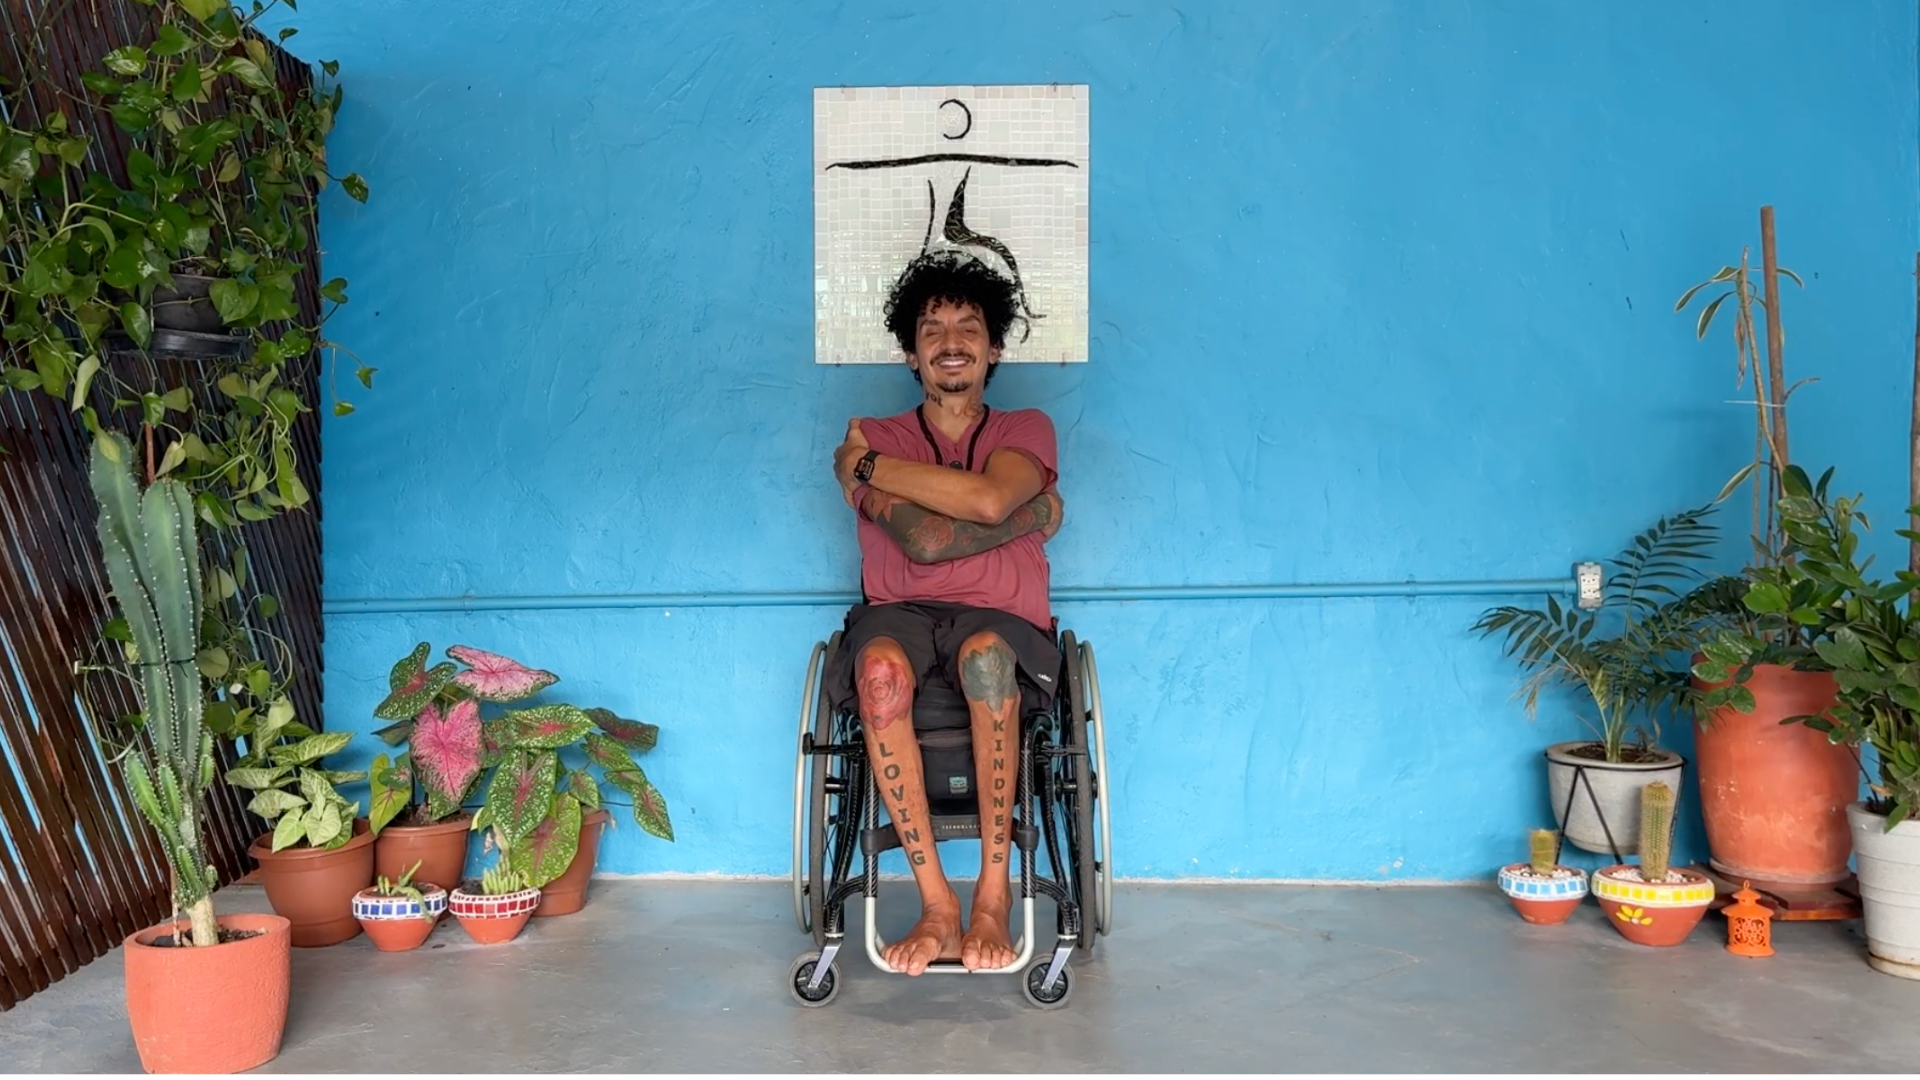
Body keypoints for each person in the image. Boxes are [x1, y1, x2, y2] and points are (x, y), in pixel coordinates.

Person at [829, 249, 1065, 976]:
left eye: (969, 327)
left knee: (987, 659)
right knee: (877, 672)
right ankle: (937, 906)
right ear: (911, 353)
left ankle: (991, 899)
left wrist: (871, 473)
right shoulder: (878, 431)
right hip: (899, 612)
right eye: (932, 330)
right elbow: (925, 541)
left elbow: (988, 499)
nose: (951, 341)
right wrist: (1031, 516)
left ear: (994, 349)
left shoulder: (1025, 426)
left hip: (1004, 621)